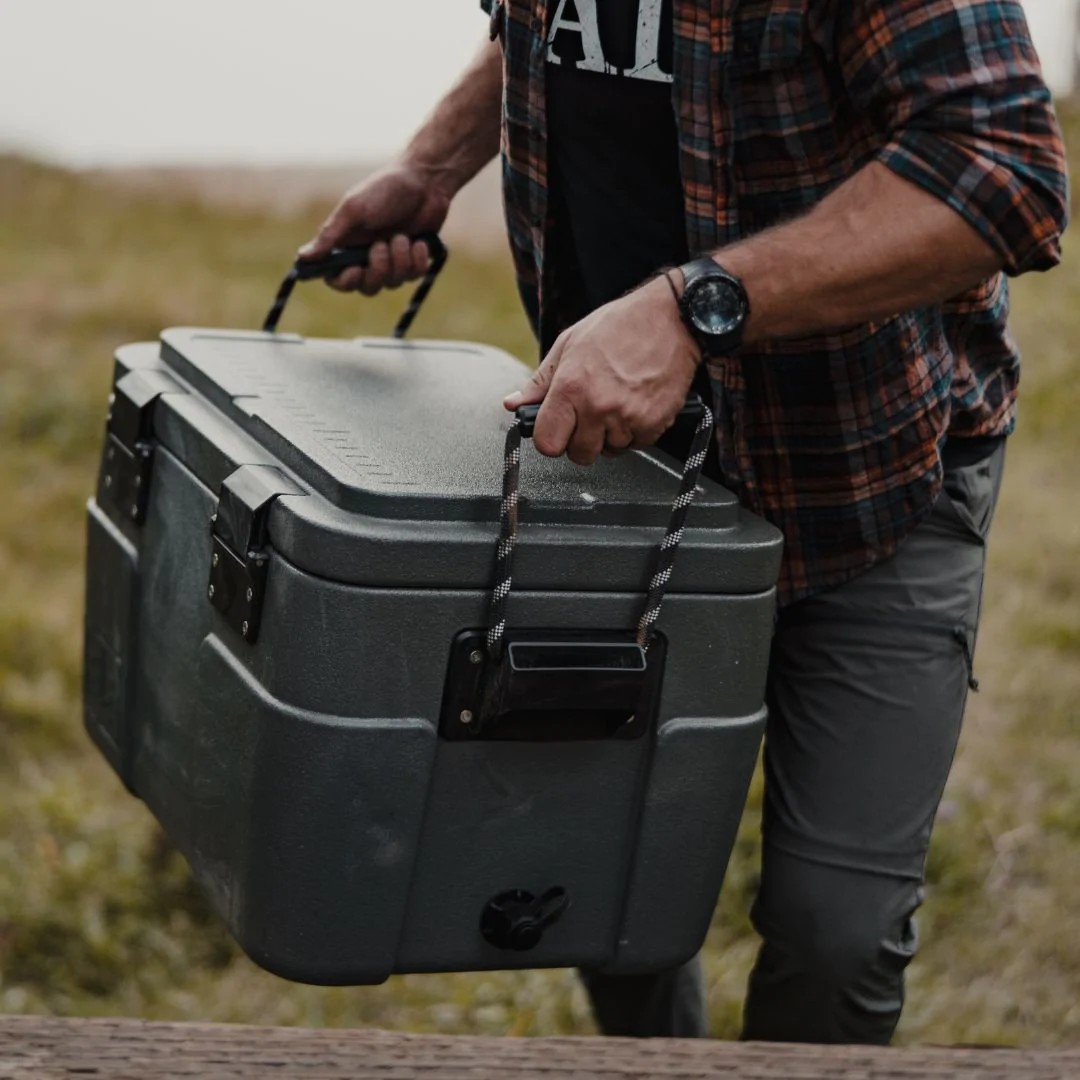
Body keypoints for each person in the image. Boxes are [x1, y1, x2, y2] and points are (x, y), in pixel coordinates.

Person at [299, 0, 1069, 1044]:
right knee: (587, 875)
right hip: (621, 474)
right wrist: (432, 169)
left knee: (835, 931)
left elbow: (1004, 179)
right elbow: (541, 27)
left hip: (872, 473)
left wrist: (693, 307)